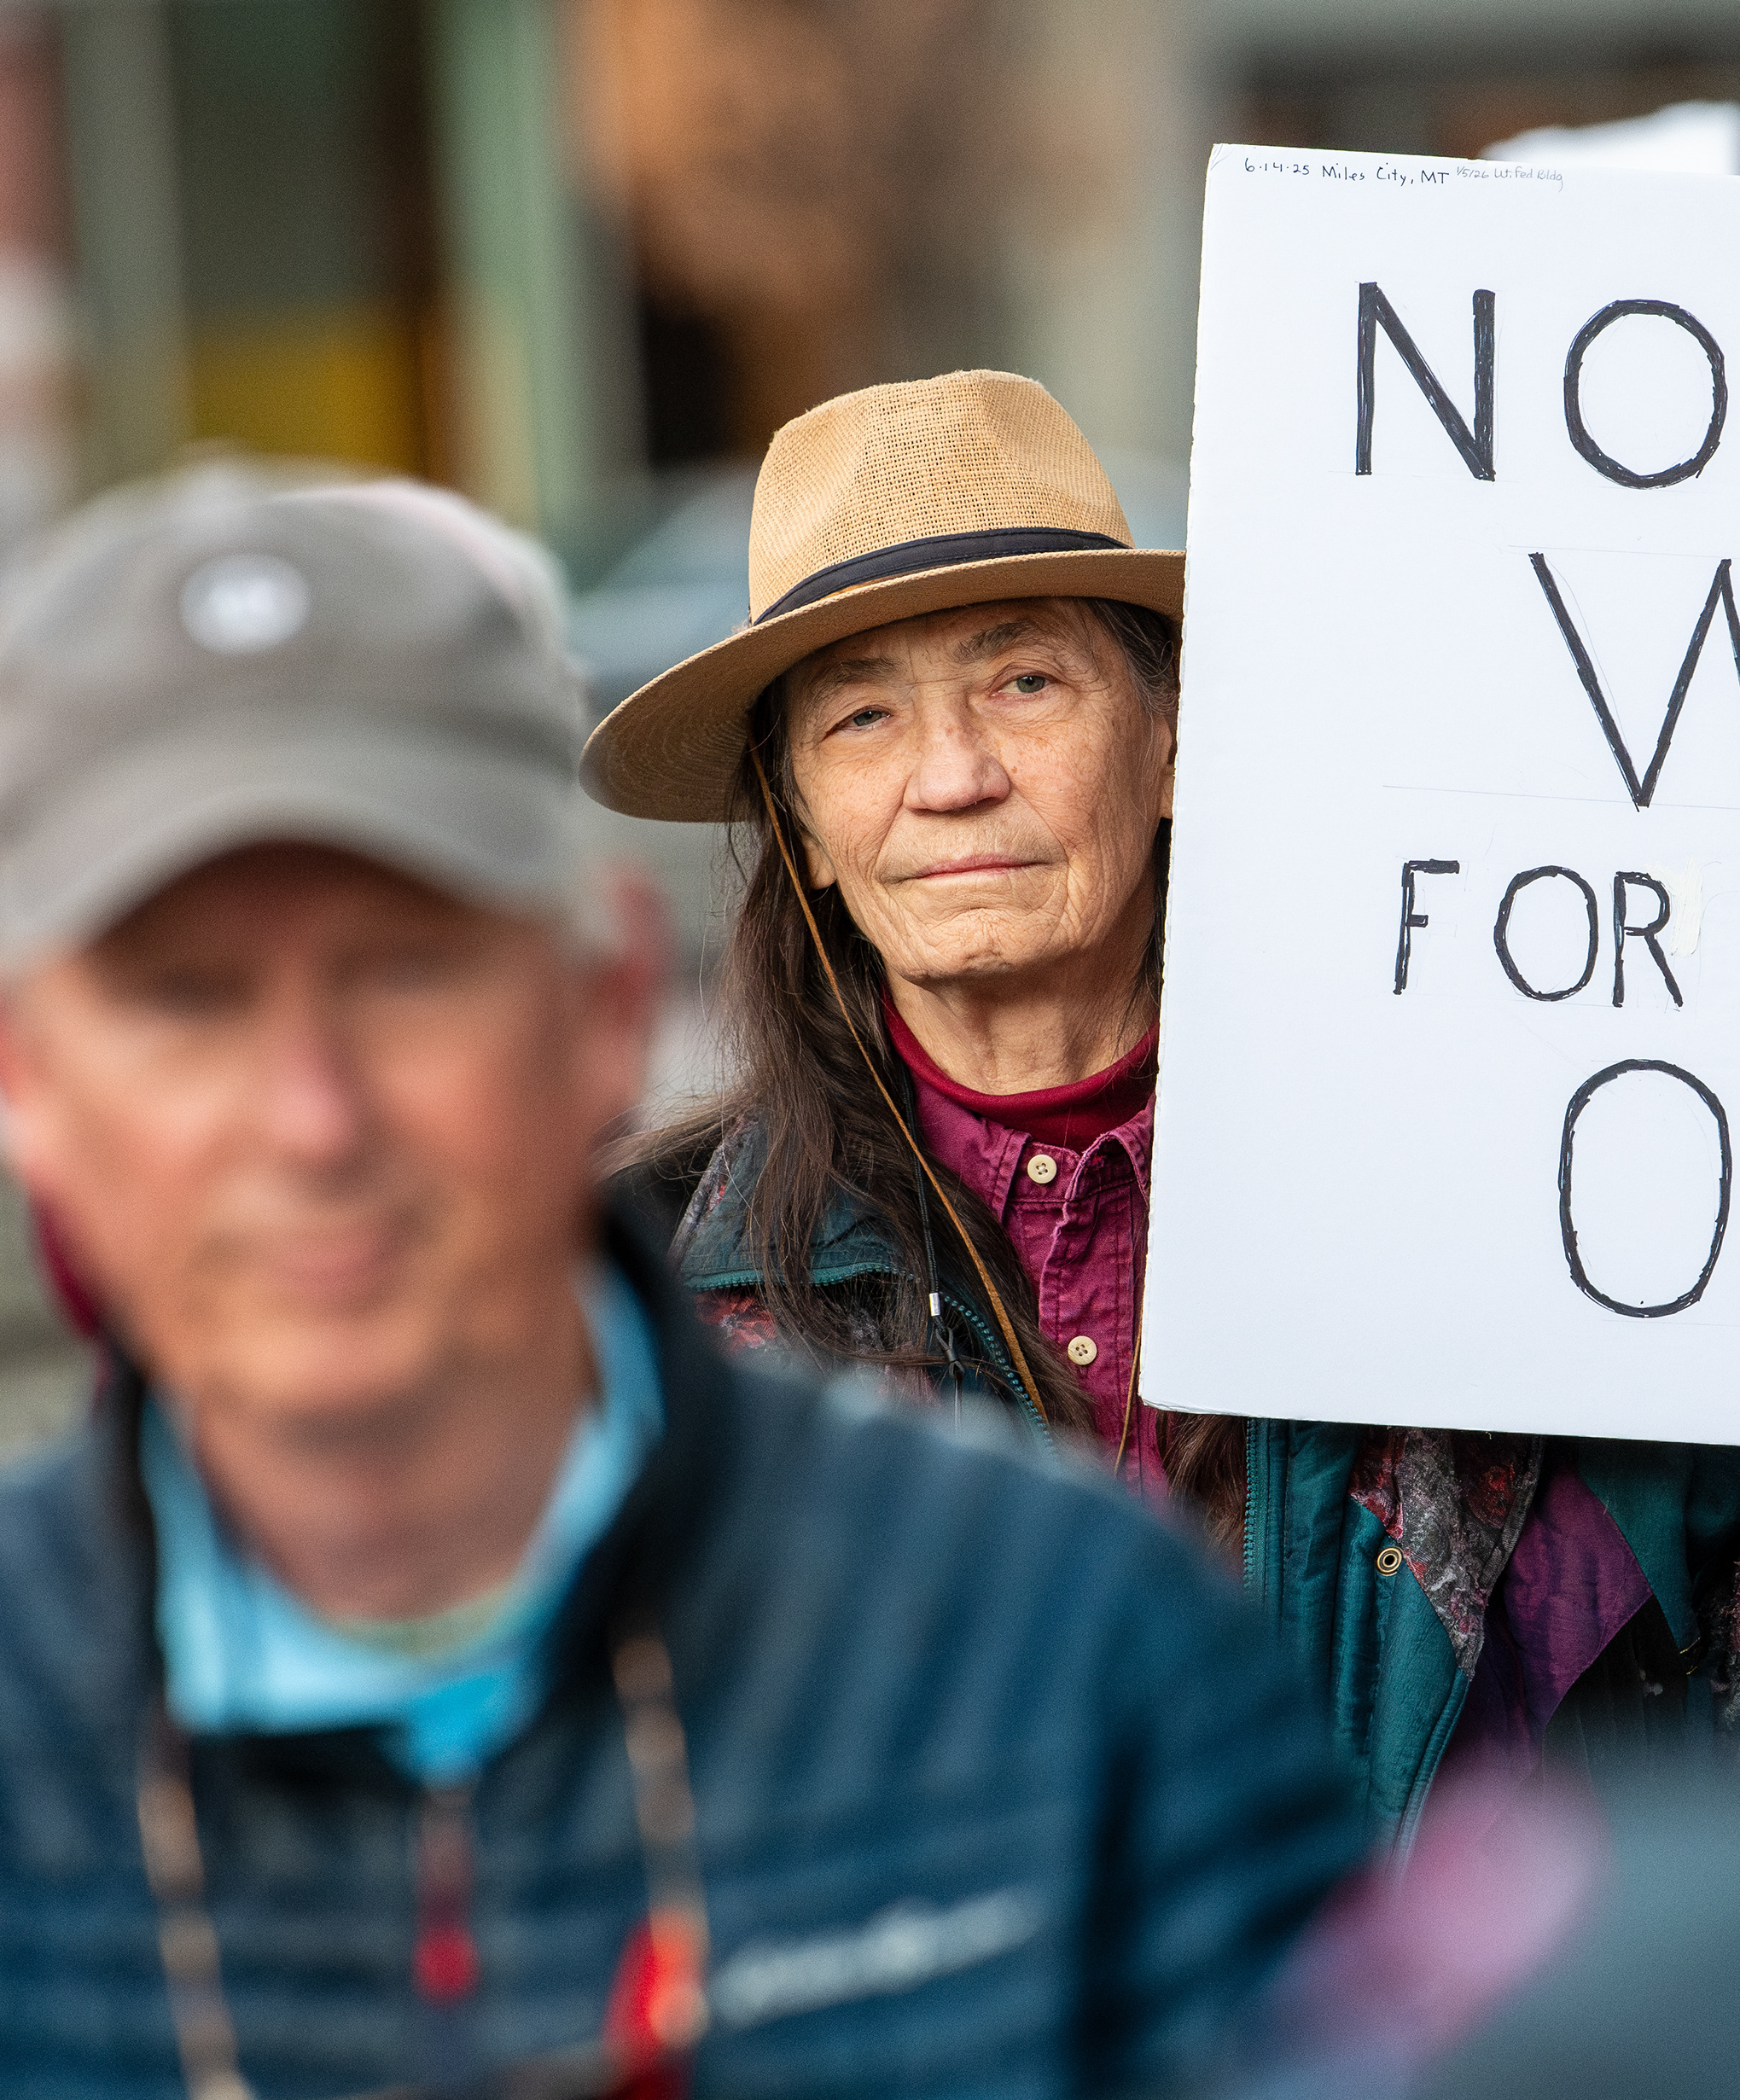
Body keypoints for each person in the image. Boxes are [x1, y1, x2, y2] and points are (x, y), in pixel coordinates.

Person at [0, 467, 1365, 2093]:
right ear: (26, 1084)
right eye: (185, 1001)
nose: (312, 1118)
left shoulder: (1075, 1649)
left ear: (607, 1001)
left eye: (408, 971)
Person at [587, 370, 1740, 1833]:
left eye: (1025, 684)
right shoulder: (664, 1292)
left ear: (1171, 741)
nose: (953, 777)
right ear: (800, 823)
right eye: (862, 718)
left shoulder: (1519, 1176)